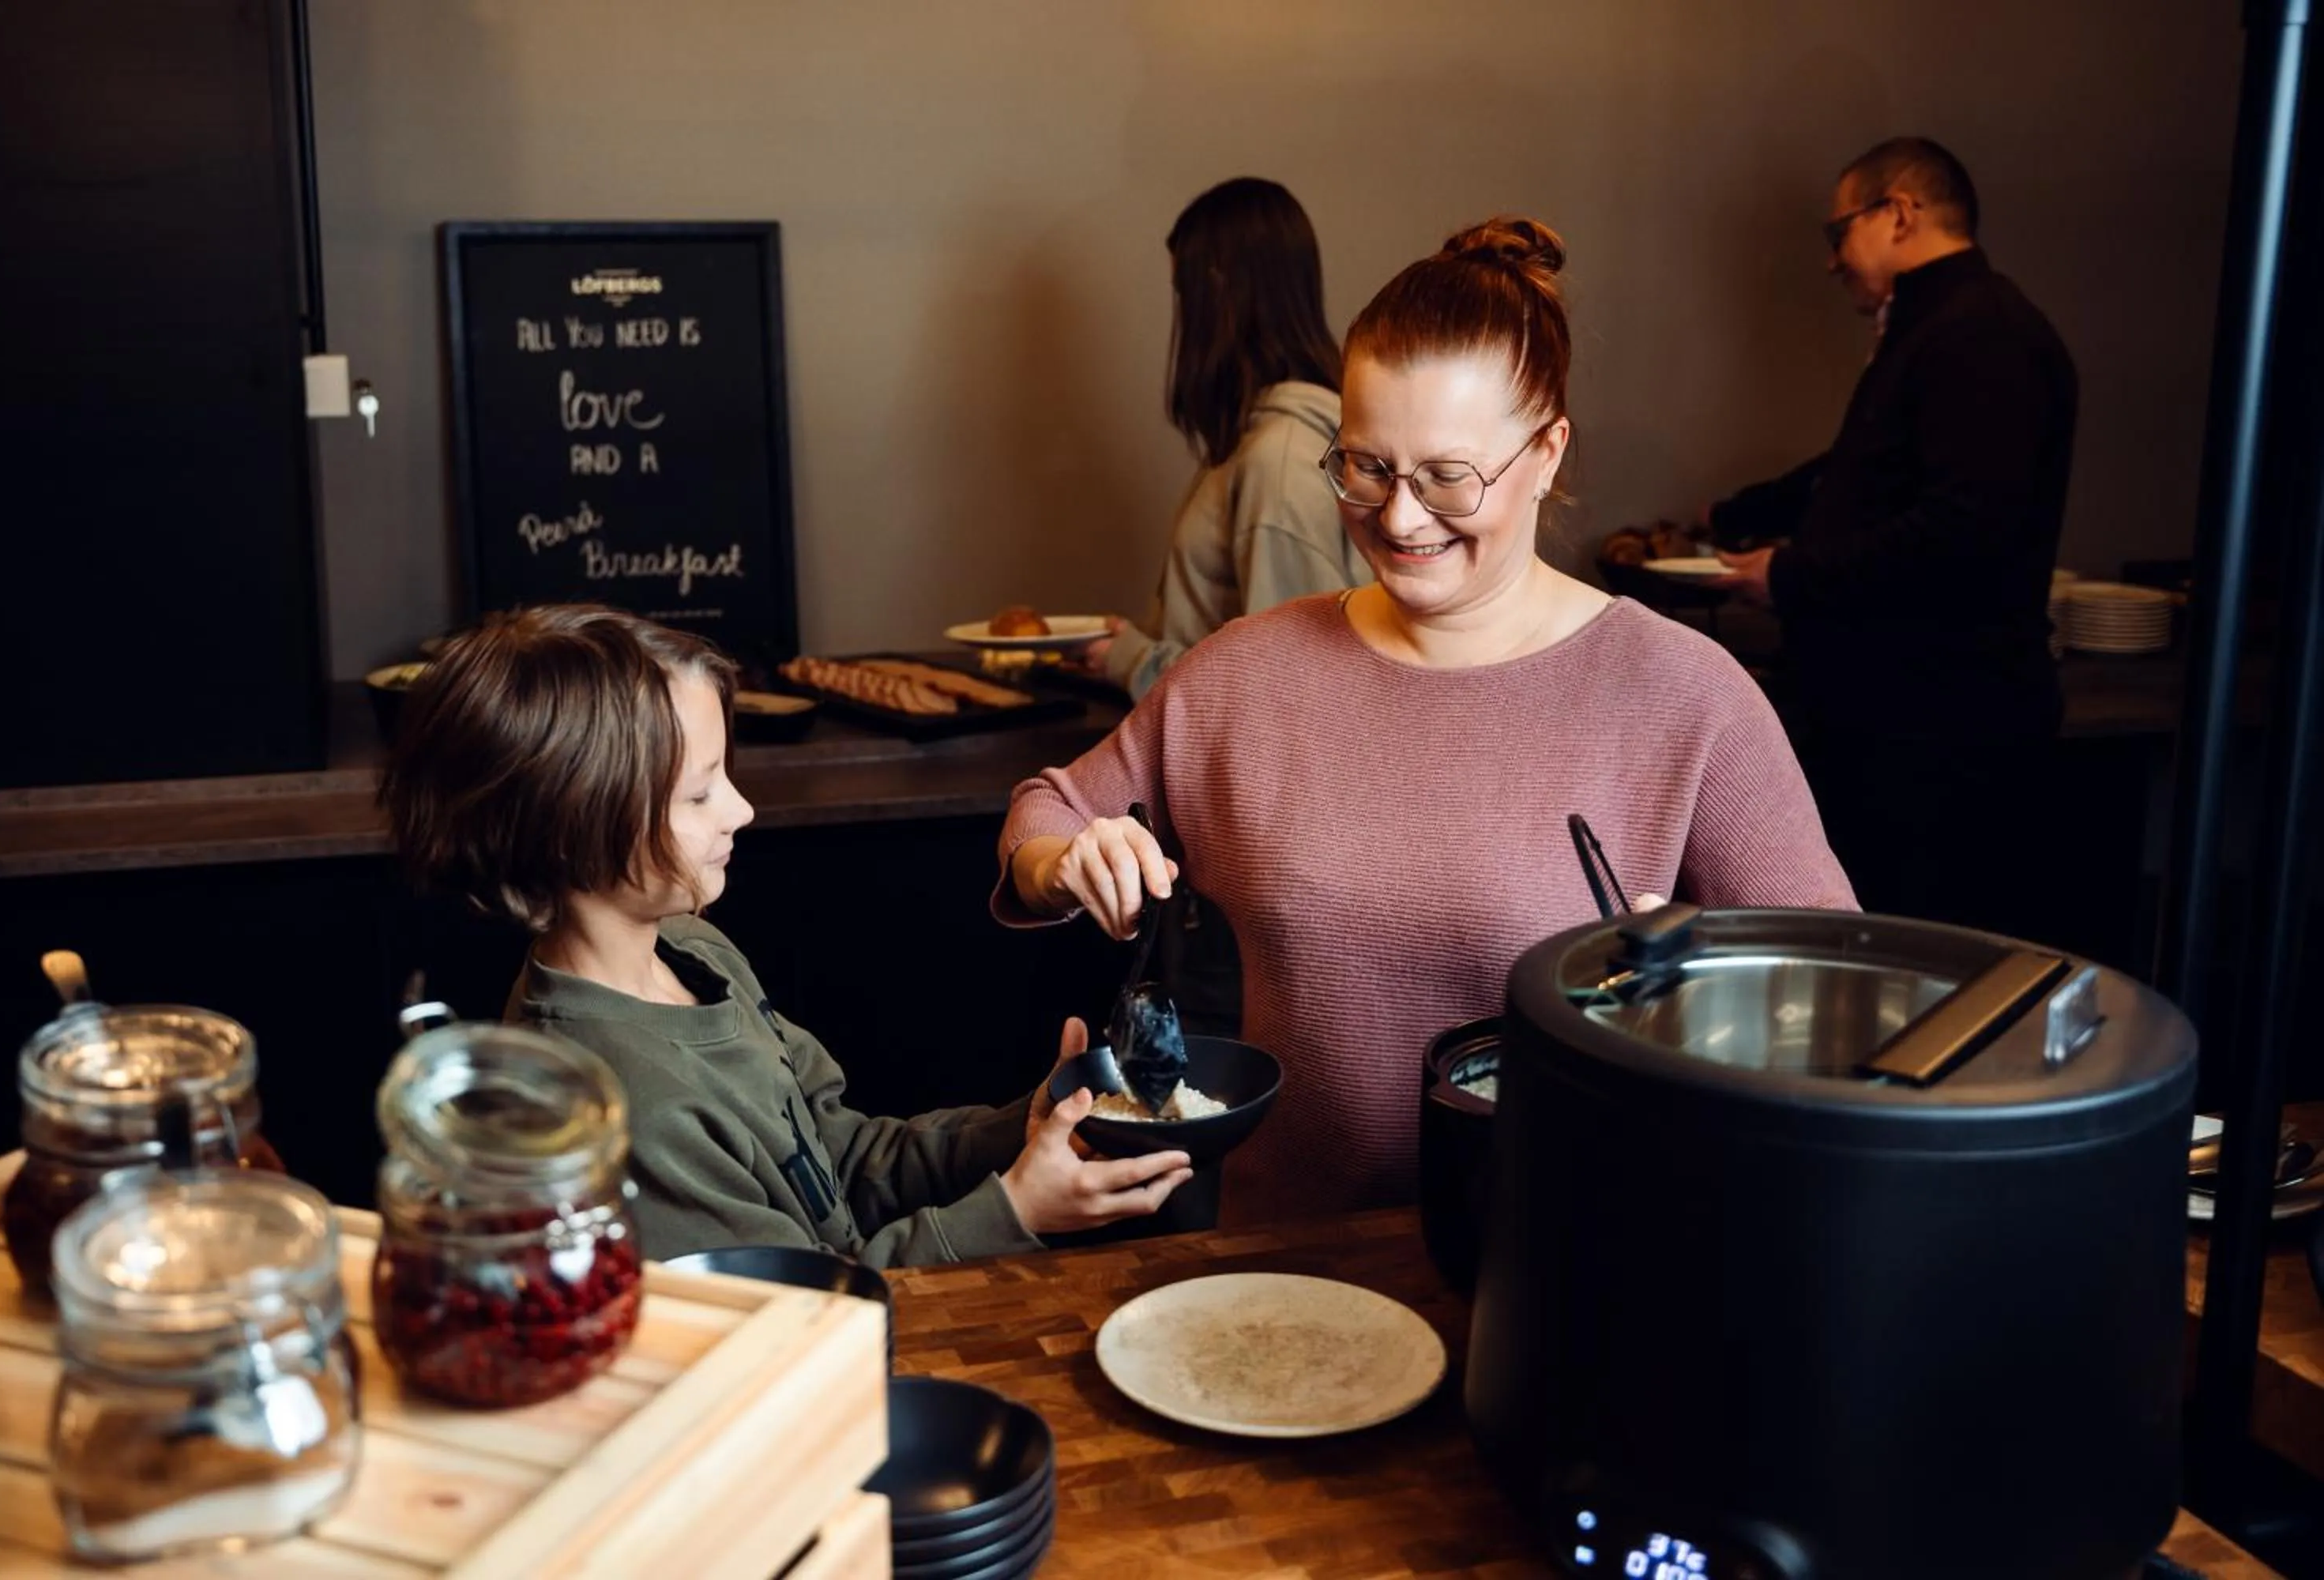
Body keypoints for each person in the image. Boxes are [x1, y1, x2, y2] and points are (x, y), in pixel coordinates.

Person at [998, 220, 1855, 1226]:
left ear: (1546, 452)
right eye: (1365, 467)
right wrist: (1065, 863)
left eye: (1448, 476)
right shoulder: (1250, 671)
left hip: (1571, 1263)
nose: (1399, 519)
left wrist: (1707, 1002)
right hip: (1289, 1272)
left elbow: (1829, 1004)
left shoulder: (1682, 695)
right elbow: (1045, 810)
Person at [382, 604, 1190, 1265]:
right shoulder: (627, 1104)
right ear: (569, 830)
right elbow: (794, 1323)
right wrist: (1014, 1209)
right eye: (698, 795)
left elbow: (839, 1163)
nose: (742, 810)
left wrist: (1027, 1124)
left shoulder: (696, 952)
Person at [1710, 137, 2078, 939]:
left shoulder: (1984, 334)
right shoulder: (1933, 327)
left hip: (1942, 733)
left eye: (1838, 232)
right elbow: (1865, 469)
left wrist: (1791, 575)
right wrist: (1748, 512)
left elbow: (1962, 531)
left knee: (1921, 973)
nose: (1832, 259)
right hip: (1900, 724)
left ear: (1900, 214)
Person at [1074, 176, 1370, 1037]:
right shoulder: (1277, 444)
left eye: (1182, 294)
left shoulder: (1281, 459)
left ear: (1217, 291)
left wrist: (1130, 654)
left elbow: (1283, 692)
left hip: (1251, 873)